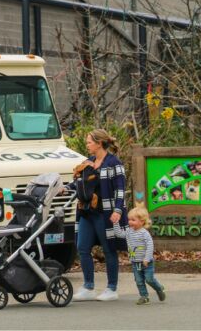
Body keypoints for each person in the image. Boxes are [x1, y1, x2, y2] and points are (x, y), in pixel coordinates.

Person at [63, 129, 128, 301]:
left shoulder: (114, 163)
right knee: (82, 247)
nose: (87, 145)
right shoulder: (88, 162)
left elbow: (121, 190)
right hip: (86, 212)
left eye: (89, 142)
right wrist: (66, 189)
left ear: (99, 143)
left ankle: (112, 289)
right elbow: (78, 183)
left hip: (105, 213)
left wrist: (118, 210)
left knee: (109, 249)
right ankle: (88, 287)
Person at [112, 207, 166, 305]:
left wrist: (147, 258)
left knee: (149, 279)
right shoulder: (129, 231)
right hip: (135, 262)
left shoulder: (144, 233)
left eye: (133, 220)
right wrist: (115, 223)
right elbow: (118, 234)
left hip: (147, 262)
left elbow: (150, 246)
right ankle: (144, 297)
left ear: (142, 221)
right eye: (129, 220)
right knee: (139, 281)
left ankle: (159, 288)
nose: (130, 222)